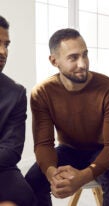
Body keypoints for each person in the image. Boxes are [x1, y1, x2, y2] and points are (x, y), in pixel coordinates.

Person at [24, 28, 109, 206]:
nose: (83, 64)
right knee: (32, 180)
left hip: (103, 150)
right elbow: (43, 144)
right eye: (73, 57)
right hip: (68, 150)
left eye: (85, 55)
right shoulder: (42, 92)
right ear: (54, 61)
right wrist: (52, 176)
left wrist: (82, 178)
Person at [0, 15, 36, 206]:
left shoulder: (16, 92)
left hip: (2, 168)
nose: (3, 51)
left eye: (6, 45)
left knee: (22, 196)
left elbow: (11, 150)